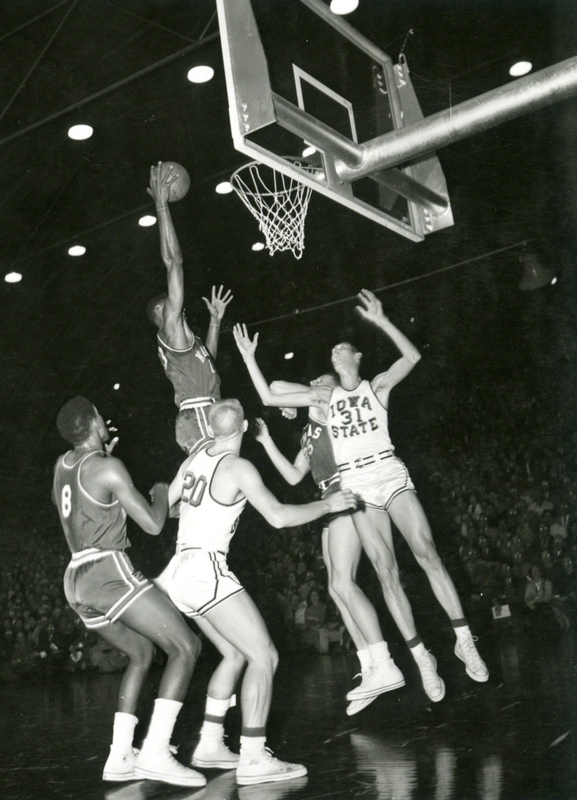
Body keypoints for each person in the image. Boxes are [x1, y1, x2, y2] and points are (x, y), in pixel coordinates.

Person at [234, 289, 488, 702]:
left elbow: (412, 358)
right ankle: (422, 657)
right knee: (386, 570)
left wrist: (382, 321)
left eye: (341, 349)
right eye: (331, 352)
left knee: (426, 552)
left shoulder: (377, 387)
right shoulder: (325, 398)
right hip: (356, 484)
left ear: (356, 358)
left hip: (388, 471)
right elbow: (269, 395)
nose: (334, 353)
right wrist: (248, 357)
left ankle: (464, 640)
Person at [156, 398, 357, 785]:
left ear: (212, 430)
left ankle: (210, 744)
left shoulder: (193, 460)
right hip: (206, 569)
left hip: (179, 571)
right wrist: (327, 503)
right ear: (245, 427)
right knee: (264, 655)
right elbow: (279, 517)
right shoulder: (239, 467)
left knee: (234, 655)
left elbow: (165, 508)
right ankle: (252, 756)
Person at [52, 395, 204, 787]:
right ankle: (156, 751)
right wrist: (157, 490)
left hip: (74, 577)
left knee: (141, 652)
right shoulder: (108, 468)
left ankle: (120, 755)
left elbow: (88, 507)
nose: (106, 418)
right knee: (186, 647)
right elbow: (154, 524)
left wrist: (112, 480)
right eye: (100, 415)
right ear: (92, 423)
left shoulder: (62, 466)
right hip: (107, 570)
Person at [252, 414, 404, 715]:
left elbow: (286, 392)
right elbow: (295, 475)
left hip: (346, 490)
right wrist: (265, 439)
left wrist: (284, 401)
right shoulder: (308, 433)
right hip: (330, 497)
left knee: (344, 583)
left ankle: (384, 662)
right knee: (336, 589)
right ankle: (370, 666)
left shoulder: (327, 411)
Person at [146, 161, 233, 454]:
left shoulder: (182, 341)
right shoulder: (170, 326)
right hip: (198, 414)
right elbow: (174, 262)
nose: (177, 302)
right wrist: (161, 207)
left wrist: (215, 321)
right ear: (162, 312)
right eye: (171, 302)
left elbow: (208, 360)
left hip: (203, 408)